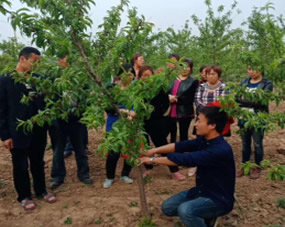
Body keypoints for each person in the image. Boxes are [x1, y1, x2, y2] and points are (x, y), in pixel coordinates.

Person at [139, 106, 236, 227]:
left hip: (218, 199)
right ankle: (205, 215)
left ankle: (207, 216)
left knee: (186, 211)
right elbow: (181, 146)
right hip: (201, 191)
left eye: (199, 121)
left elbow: (185, 159)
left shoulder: (219, 150)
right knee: (167, 208)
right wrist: (153, 150)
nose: (195, 124)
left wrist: (152, 160)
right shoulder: (204, 140)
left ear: (212, 125)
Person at [0, 47, 56, 210]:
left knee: (38, 161)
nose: (37, 65)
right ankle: (24, 196)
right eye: (34, 62)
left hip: (38, 129)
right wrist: (5, 136)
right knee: (20, 164)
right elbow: (1, 110)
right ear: (22, 59)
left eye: (39, 62)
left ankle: (41, 190)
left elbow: (44, 103)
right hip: (17, 130)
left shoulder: (38, 79)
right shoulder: (5, 80)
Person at [50, 56, 93, 189]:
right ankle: (57, 177)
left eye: (70, 60)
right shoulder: (53, 78)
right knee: (58, 150)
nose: (68, 62)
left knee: (80, 148)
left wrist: (85, 111)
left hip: (77, 119)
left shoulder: (80, 78)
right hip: (59, 120)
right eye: (64, 59)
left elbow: (86, 97)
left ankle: (84, 174)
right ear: (59, 61)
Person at [236, 65, 273, 179]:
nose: (251, 72)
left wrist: (244, 101)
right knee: (245, 143)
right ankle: (245, 165)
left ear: (261, 69)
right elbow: (237, 98)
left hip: (258, 118)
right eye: (249, 69)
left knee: (257, 144)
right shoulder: (244, 82)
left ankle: (257, 166)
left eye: (254, 69)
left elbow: (261, 101)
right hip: (244, 117)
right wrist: (248, 101)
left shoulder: (267, 83)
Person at [103, 63, 136, 188]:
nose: (129, 76)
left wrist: (132, 114)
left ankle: (125, 174)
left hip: (131, 122)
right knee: (113, 150)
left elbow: (137, 105)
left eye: (131, 74)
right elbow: (107, 106)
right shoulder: (113, 89)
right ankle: (110, 177)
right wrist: (122, 111)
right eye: (125, 73)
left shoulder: (135, 89)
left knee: (129, 149)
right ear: (119, 75)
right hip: (114, 122)